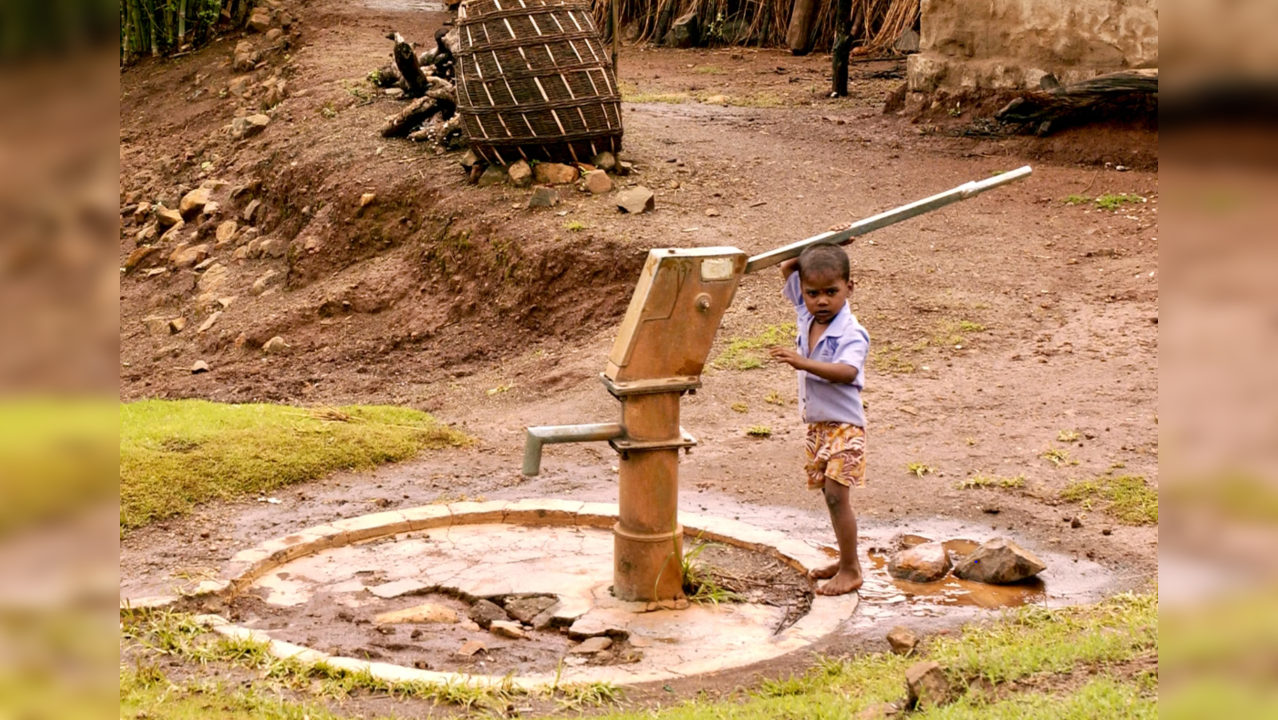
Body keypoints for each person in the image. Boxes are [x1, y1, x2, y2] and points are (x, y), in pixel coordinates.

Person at [768, 242, 869, 596]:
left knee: (837, 498)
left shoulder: (851, 331)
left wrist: (802, 363)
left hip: (845, 427)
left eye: (832, 292)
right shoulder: (806, 314)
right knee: (829, 496)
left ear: (849, 288)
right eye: (813, 293)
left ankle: (852, 569)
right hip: (818, 426)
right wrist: (828, 245)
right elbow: (786, 266)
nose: (822, 301)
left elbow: (846, 371)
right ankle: (844, 561)